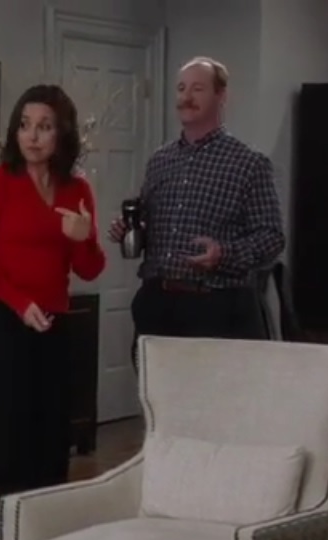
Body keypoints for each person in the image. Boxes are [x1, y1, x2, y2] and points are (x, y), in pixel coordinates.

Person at [0, 84, 105, 506]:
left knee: (53, 440)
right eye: (25, 125)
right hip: (4, 323)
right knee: (10, 441)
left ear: (62, 134)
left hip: (55, 326)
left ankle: (47, 537)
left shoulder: (77, 190)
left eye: (44, 127)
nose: (33, 136)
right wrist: (20, 304)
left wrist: (82, 238)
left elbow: (90, 268)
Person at [108, 56, 284, 341]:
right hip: (157, 304)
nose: (186, 97)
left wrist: (223, 255)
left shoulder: (249, 163)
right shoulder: (160, 160)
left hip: (217, 307)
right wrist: (128, 230)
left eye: (197, 89)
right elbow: (148, 224)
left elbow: (272, 237)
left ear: (221, 95)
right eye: (181, 88)